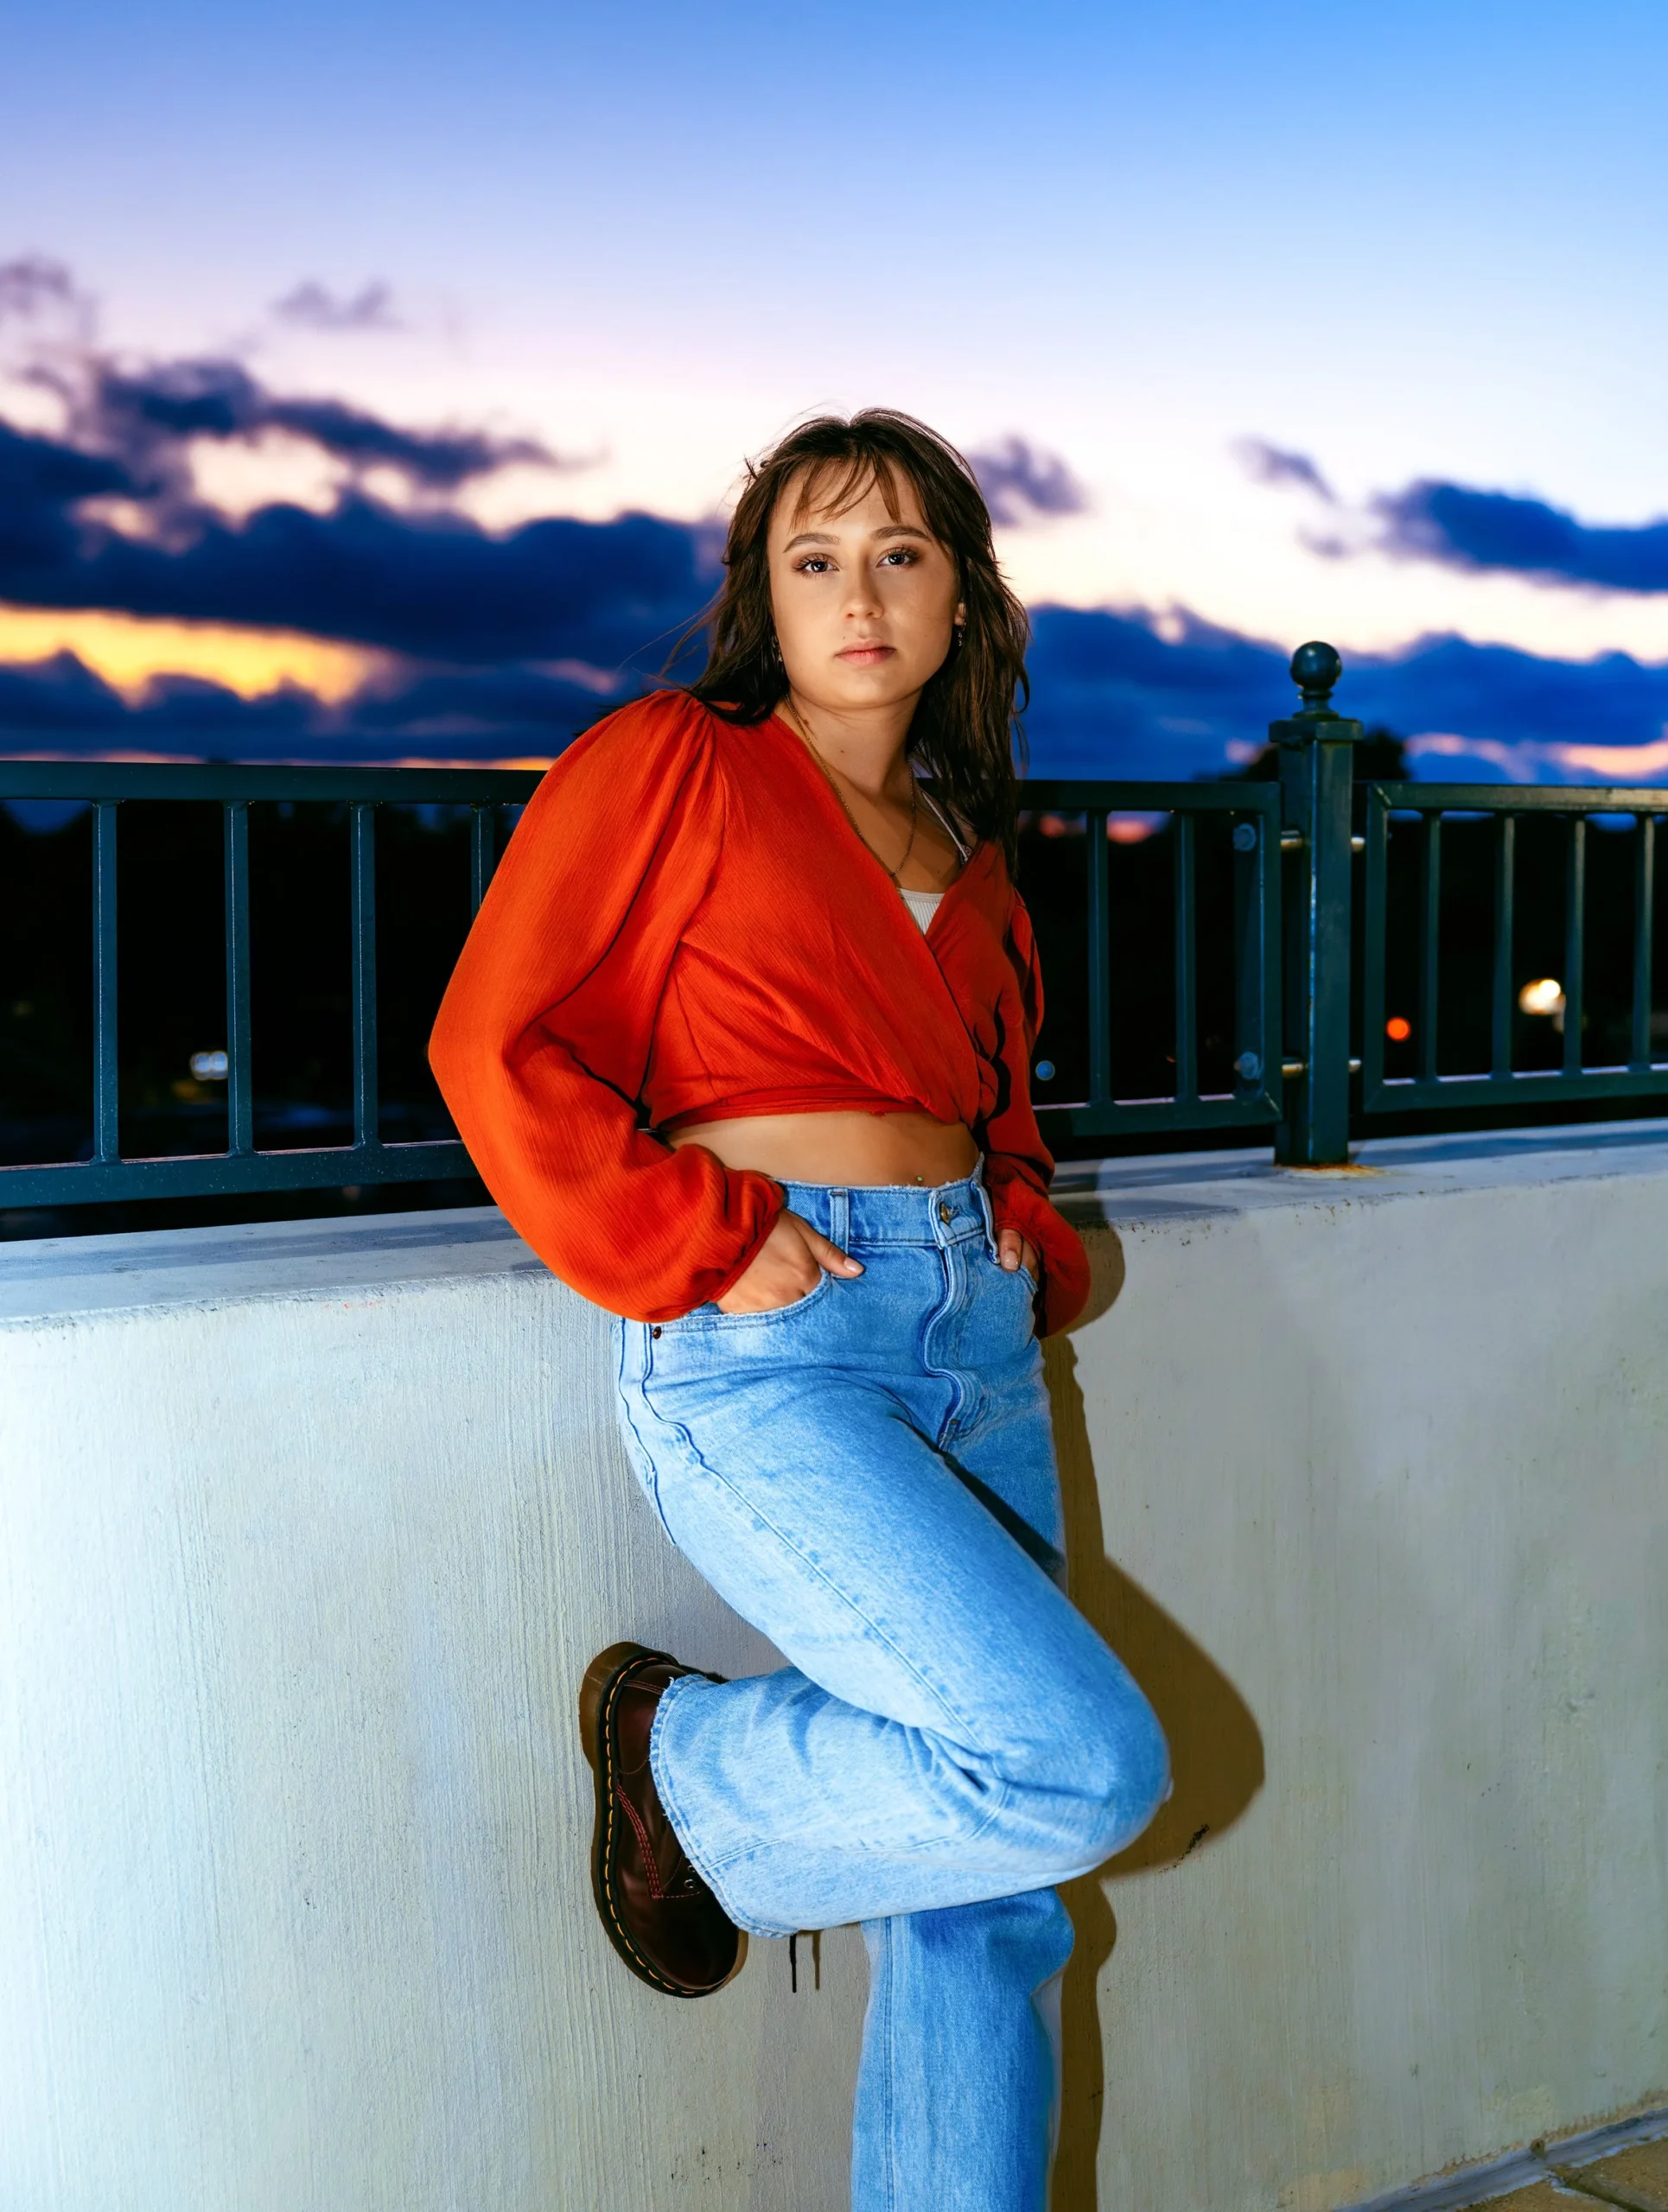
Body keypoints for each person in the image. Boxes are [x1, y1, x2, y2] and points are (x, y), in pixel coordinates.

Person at [430, 409, 1168, 2210]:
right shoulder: (671, 760)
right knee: (1069, 1763)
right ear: (765, 594)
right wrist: (690, 1228)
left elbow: (992, 1110)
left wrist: (1013, 1225)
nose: (862, 593)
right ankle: (677, 1759)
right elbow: (491, 1038)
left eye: (903, 554)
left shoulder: (965, 844)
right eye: (816, 557)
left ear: (960, 598)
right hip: (771, 1338)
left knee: (986, 1906)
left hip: (971, 1347)